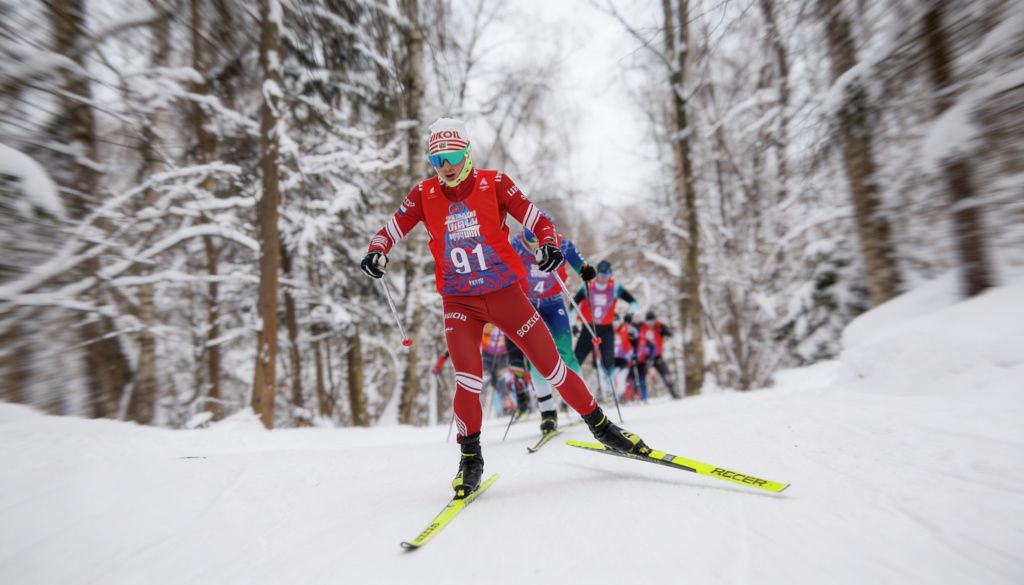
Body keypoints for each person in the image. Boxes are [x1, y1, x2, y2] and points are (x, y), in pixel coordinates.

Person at [360, 118, 649, 498]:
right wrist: (377, 250)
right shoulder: (423, 194)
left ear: (467, 153)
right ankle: (470, 458)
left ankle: (602, 427)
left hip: (505, 295)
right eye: (436, 159)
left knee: (553, 367)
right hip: (459, 301)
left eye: (452, 155)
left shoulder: (493, 183)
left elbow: (537, 218)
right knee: (468, 378)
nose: (445, 166)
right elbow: (392, 228)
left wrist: (547, 245)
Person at [505, 225, 597, 434]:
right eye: (531, 243)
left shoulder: (561, 242)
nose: (534, 247)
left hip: (554, 302)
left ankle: (585, 403)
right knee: (536, 356)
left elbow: (578, 262)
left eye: (538, 242)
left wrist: (585, 270)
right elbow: (502, 267)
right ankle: (548, 413)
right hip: (528, 303)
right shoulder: (517, 246)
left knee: (566, 352)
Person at [572, 260, 640, 400]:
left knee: (608, 360)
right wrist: (573, 323)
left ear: (610, 275)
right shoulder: (587, 286)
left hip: (606, 328)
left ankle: (609, 391)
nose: (603, 278)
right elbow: (572, 305)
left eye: (606, 275)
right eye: (601, 275)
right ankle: (570, 392)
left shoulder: (615, 287)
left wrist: (629, 315)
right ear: (597, 274)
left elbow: (634, 302)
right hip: (589, 327)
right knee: (577, 358)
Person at [640, 311, 681, 399]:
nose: (650, 324)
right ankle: (639, 397)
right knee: (641, 377)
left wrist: (669, 332)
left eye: (652, 322)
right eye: (648, 322)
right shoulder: (642, 327)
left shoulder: (659, 326)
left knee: (666, 374)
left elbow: (668, 331)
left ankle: (673, 392)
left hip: (657, 356)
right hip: (645, 358)